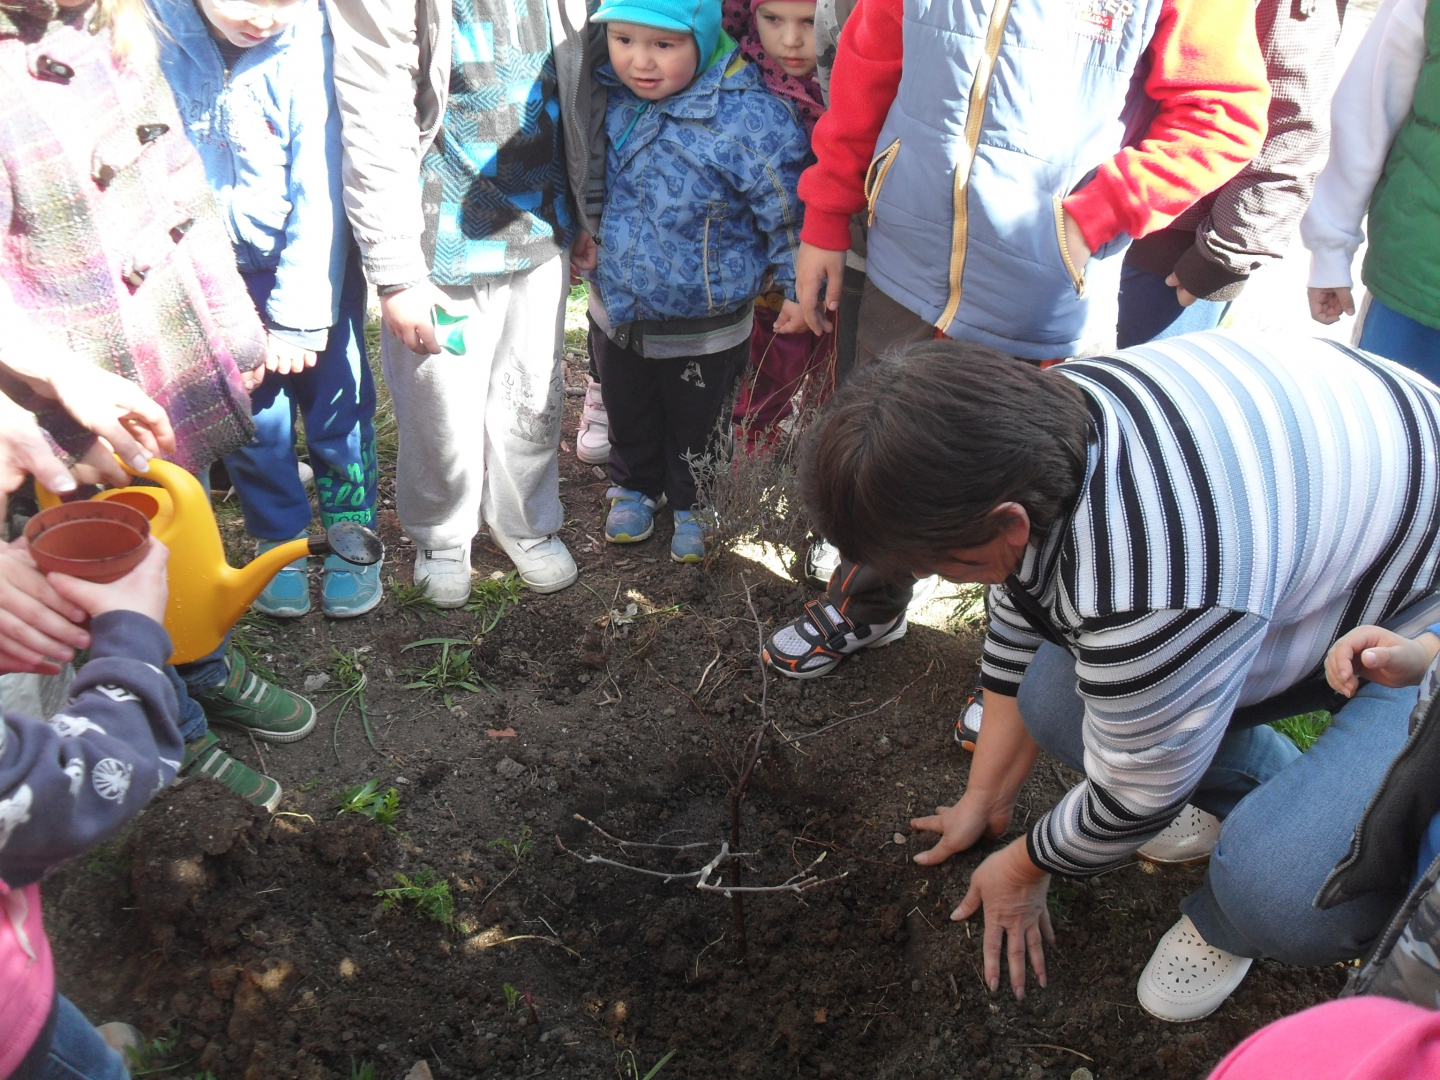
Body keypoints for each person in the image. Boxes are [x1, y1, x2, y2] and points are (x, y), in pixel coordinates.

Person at [796, 331, 1440, 1023]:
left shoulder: (1159, 581)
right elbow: (1019, 601)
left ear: (1008, 523)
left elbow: (1136, 796)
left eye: (943, 565)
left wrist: (1024, 866)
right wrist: (984, 797)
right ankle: (1266, 797)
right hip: (1342, 525)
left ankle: (1235, 914)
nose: (942, 581)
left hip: (1418, 608)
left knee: (1283, 893)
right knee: (1057, 698)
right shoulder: (1030, 421)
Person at [762, 0, 1271, 680]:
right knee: (885, 451)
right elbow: (866, 65)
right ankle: (867, 604)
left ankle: (1019, 665)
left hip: (1045, 286)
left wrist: (1097, 214)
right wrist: (826, 214)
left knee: (1029, 482)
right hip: (905, 261)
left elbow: (1223, 113)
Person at [0, 0, 318, 810]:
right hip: (55, 388)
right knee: (108, 559)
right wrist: (54, 374)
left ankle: (202, 663)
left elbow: (182, 188)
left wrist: (234, 327)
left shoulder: (113, 27)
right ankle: (164, 720)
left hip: (157, 349)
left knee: (178, 524)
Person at [327, 0, 606, 605]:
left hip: (540, 226)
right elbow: (373, 104)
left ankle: (526, 520)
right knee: (438, 401)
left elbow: (582, 85)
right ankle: (442, 532)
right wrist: (396, 271)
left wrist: (585, 209)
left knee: (532, 392)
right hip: (436, 240)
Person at [152, 0, 382, 619]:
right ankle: (277, 538)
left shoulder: (310, 42)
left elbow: (321, 183)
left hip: (315, 269)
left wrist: (300, 317)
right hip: (216, 273)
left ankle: (352, 533)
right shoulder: (154, 33)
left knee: (338, 410)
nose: (262, 17)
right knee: (252, 419)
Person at [575, 0, 808, 562]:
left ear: (702, 37)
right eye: (624, 40)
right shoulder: (606, 95)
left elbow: (787, 211)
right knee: (627, 405)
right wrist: (578, 227)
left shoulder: (748, 117)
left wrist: (796, 287)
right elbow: (584, 170)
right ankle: (634, 485)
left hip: (705, 321)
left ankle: (695, 500)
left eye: (663, 44)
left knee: (698, 418)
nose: (640, 61)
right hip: (618, 306)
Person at [1116, 0, 1343, 346]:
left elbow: (1291, 112)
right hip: (1059, 214)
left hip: (1176, 247)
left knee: (1151, 378)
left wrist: (1226, 253)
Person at [1302, 0, 1440, 382]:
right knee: (1391, 415)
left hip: (1415, 274)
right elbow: (1370, 103)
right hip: (1416, 286)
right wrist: (1330, 246)